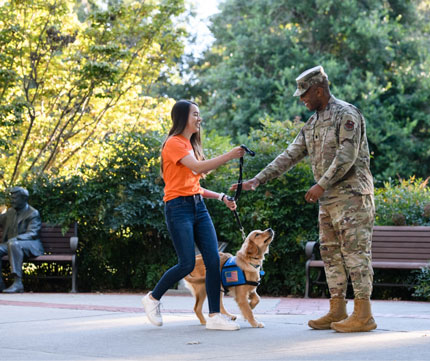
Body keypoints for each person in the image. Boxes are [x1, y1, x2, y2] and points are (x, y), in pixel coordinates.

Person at [233, 65, 377, 332]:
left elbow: (346, 156)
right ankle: (337, 310)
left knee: (355, 255)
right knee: (331, 255)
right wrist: (258, 179)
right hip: (329, 202)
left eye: (305, 94)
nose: (302, 99)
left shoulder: (347, 115)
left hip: (353, 198)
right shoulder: (313, 124)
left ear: (319, 90)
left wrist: (321, 185)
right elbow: (289, 155)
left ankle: (364, 314)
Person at [141, 99, 245, 331]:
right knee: (187, 263)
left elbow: (195, 181)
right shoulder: (174, 143)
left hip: (198, 207)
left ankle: (215, 316)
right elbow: (198, 169)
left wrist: (220, 197)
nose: (199, 119)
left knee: (212, 260)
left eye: (199, 114)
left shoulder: (190, 146)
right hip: (178, 209)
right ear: (182, 118)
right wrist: (230, 155)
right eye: (195, 114)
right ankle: (153, 298)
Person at [0, 187, 43, 293]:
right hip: (10, 243)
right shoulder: (10, 212)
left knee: (14, 244)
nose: (12, 201)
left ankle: (18, 283)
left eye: (15, 198)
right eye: (11, 198)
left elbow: (32, 233)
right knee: (10, 244)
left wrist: (16, 239)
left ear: (23, 199)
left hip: (30, 244)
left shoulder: (33, 213)